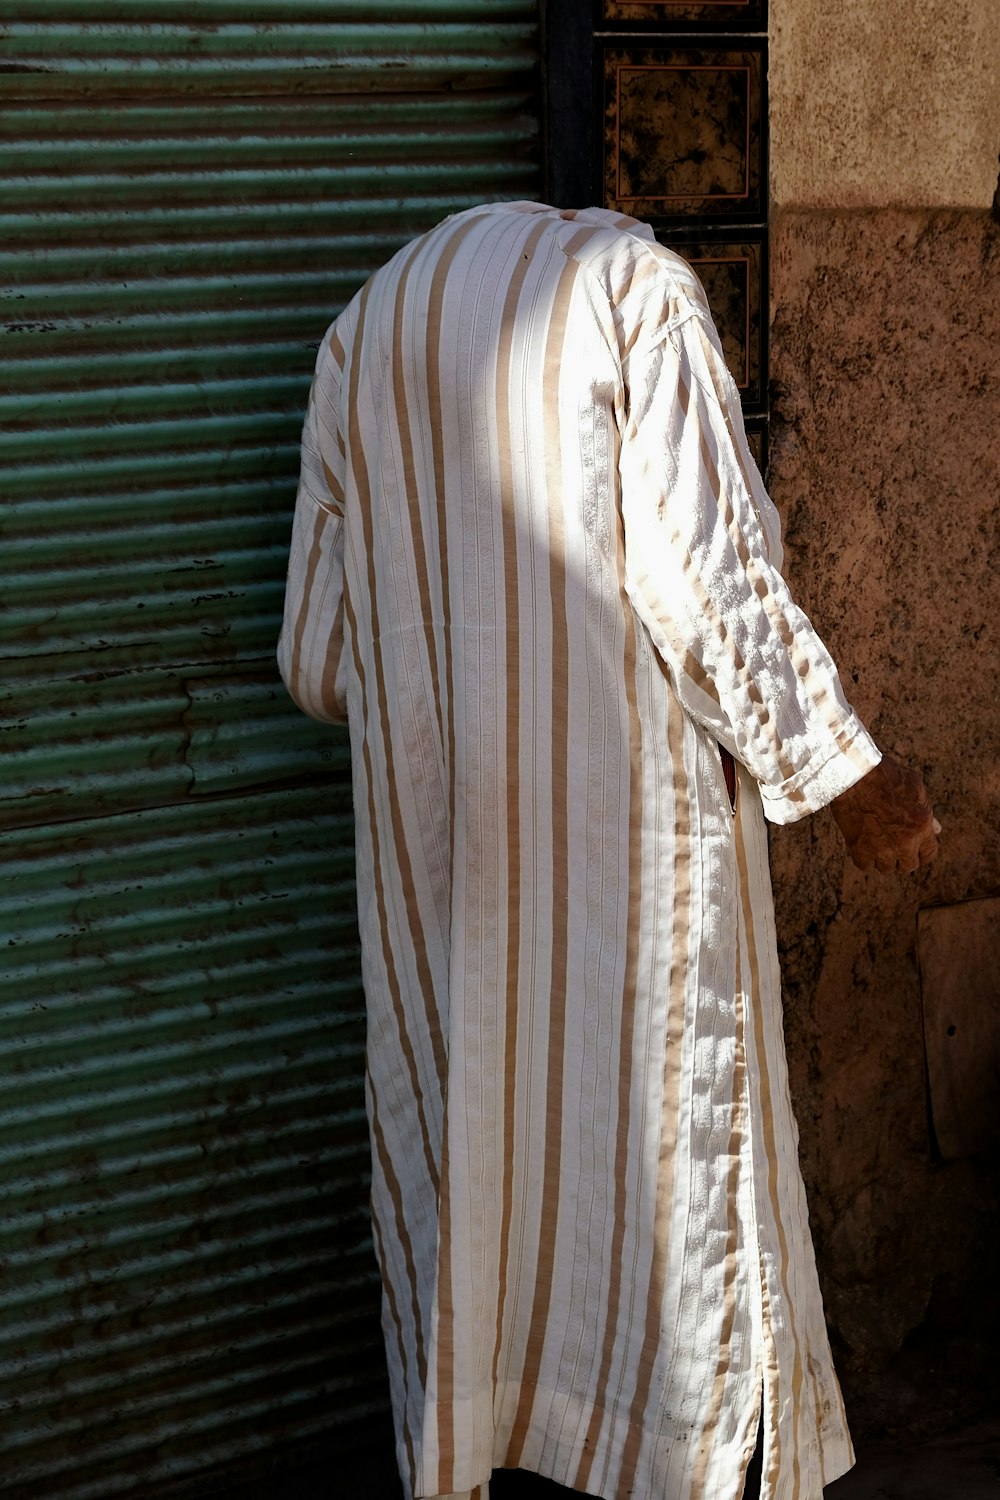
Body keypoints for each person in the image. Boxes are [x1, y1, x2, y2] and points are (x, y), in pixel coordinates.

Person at [277, 202, 938, 1500]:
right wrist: (845, 769)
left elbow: (318, 654)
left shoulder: (372, 323)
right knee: (665, 1233)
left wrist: (458, 678)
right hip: (630, 864)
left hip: (445, 873)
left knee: (485, 1204)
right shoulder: (639, 295)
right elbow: (711, 581)